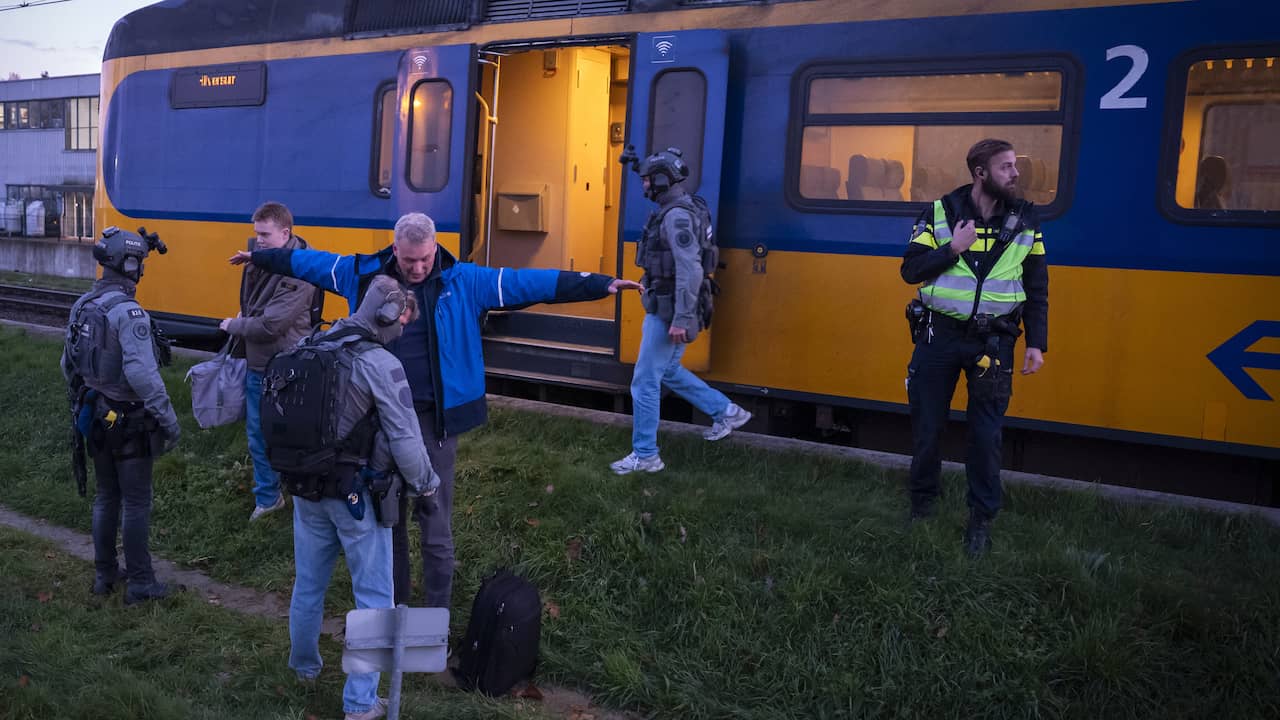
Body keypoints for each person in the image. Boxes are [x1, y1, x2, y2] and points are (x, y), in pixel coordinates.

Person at [230, 212, 640, 609]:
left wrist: (599, 284)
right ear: (396, 249)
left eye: (426, 258)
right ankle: (397, 611)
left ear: (434, 248)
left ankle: (436, 616)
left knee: (435, 520)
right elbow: (308, 263)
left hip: (434, 420)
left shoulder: (464, 281)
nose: (419, 267)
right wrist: (260, 256)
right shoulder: (363, 273)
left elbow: (529, 283)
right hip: (376, 420)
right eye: (410, 260)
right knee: (389, 518)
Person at [281, 275, 440, 720]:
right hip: (355, 497)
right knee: (374, 598)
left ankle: (304, 669)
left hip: (306, 489)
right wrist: (427, 484)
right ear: (386, 316)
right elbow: (406, 440)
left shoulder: (316, 343)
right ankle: (361, 704)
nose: (401, 331)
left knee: (308, 584)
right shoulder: (378, 363)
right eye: (401, 323)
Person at [900, 138, 1049, 556]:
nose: (1016, 174)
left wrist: (1037, 343)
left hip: (995, 340)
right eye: (1006, 167)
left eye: (1014, 166)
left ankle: (980, 520)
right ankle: (922, 505)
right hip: (939, 336)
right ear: (980, 173)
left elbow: (1037, 286)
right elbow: (910, 270)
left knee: (985, 436)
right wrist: (953, 249)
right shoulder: (940, 213)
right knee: (927, 428)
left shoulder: (1026, 220)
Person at [611, 146, 751, 476]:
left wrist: (681, 318)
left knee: (644, 381)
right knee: (669, 371)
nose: (644, 186)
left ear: (662, 181)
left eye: (647, 181)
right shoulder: (683, 206)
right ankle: (726, 412)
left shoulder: (676, 216)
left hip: (671, 310)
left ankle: (645, 455)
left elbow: (690, 270)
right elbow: (675, 265)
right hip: (670, 301)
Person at [62, 226, 181, 604]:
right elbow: (143, 375)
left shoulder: (83, 304)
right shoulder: (129, 313)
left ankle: (105, 574)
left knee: (105, 496)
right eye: (140, 263)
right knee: (135, 501)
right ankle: (142, 583)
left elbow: (67, 363)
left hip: (94, 414)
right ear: (131, 265)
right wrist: (169, 420)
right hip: (130, 421)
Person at [220, 201, 320, 522]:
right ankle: (269, 497)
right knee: (257, 433)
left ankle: (302, 493)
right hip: (261, 363)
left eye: (265, 234)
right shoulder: (261, 260)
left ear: (285, 233)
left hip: (286, 367)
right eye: (256, 234)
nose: (258, 241)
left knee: (290, 434)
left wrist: (232, 325)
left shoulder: (299, 271)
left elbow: (270, 325)